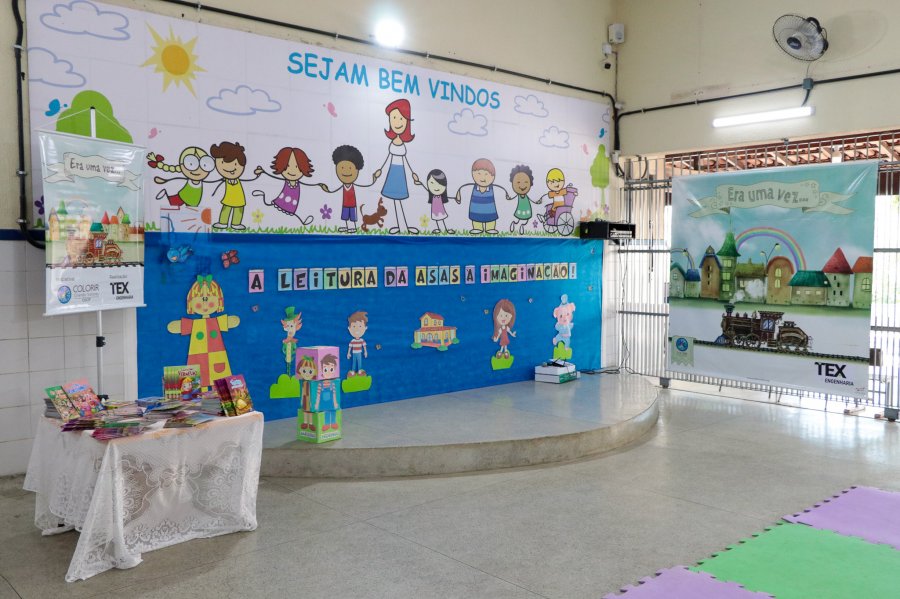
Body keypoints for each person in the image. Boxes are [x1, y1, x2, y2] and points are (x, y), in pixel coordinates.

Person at [372, 99, 420, 234]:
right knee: (395, 200)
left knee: (400, 200)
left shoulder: (402, 144)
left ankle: (404, 226)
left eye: (400, 118)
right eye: (393, 118)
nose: (397, 122)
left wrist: (413, 174)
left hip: (400, 173)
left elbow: (406, 161)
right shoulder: (392, 143)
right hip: (393, 172)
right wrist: (379, 171)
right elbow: (387, 159)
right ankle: (401, 226)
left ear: (407, 121)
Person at [253, 147, 317, 226]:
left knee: (291, 218)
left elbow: (310, 185)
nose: (292, 171)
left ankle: (301, 221)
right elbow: (271, 177)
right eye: (287, 166)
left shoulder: (299, 183)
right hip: (280, 204)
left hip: (292, 208)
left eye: (296, 167)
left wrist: (319, 185)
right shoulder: (283, 181)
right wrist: (262, 172)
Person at [321, 145, 374, 233]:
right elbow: (334, 190)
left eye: (350, 168)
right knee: (345, 216)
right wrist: (327, 190)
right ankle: (346, 226)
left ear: (357, 170)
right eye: (342, 168)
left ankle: (352, 227)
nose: (346, 171)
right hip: (345, 204)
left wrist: (374, 178)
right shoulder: (343, 186)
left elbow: (366, 185)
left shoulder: (354, 186)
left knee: (352, 216)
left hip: (352, 204)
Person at [210, 141, 261, 230]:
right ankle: (223, 222)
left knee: (239, 210)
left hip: (239, 198)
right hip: (228, 198)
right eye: (222, 163)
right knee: (226, 209)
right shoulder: (225, 179)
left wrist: (257, 173)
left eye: (235, 164)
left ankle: (236, 224)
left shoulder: (238, 179)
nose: (230, 168)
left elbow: (251, 179)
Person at [455, 158, 511, 235]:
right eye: (479, 174)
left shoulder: (494, 188)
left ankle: (490, 228)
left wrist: (507, 196)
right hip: (475, 208)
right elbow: (461, 190)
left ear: (493, 176)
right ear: (473, 173)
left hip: (490, 209)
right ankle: (477, 228)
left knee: (491, 217)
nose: (482, 177)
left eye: (486, 174)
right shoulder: (471, 187)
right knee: (476, 217)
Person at [147, 146, 214, 208]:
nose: (197, 170)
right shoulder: (184, 180)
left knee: (193, 210)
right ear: (182, 166)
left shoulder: (203, 181)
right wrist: (165, 181)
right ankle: (167, 190)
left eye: (204, 165)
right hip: (182, 195)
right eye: (191, 164)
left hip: (194, 199)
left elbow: (212, 181)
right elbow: (176, 179)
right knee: (174, 204)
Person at [508, 164, 541, 234]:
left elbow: (531, 200)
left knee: (526, 220)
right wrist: (509, 198)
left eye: (526, 182)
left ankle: (522, 226)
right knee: (518, 219)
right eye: (518, 182)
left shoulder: (527, 196)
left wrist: (537, 202)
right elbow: (513, 197)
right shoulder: (518, 195)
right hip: (520, 209)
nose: (522, 185)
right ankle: (514, 223)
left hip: (527, 210)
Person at [417, 169, 452, 234]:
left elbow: (450, 197)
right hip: (435, 209)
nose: (436, 187)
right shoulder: (433, 196)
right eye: (432, 183)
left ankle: (445, 229)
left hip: (440, 209)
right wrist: (420, 183)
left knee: (442, 218)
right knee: (436, 219)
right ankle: (439, 229)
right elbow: (425, 188)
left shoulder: (441, 196)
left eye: (439, 183)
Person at [347, 311, 368, 376]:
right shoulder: (352, 341)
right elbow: (350, 347)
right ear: (349, 328)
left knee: (359, 362)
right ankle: (353, 371)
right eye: (354, 326)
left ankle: (359, 370)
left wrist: (365, 352)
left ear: (365, 328)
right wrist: (348, 353)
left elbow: (364, 346)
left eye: (360, 326)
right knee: (353, 362)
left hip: (359, 353)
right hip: (354, 353)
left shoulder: (362, 340)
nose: (357, 329)